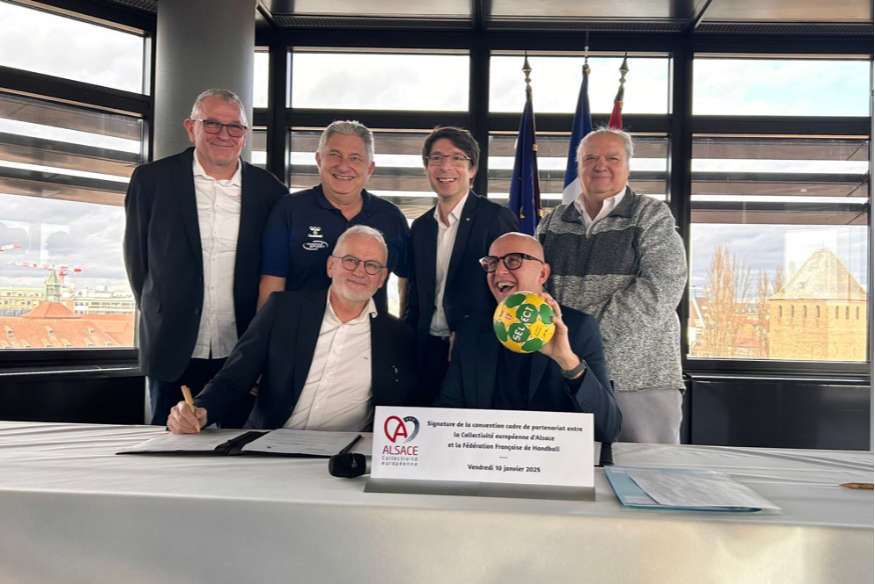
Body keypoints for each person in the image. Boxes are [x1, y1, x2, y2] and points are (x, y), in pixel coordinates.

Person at [124, 88, 288, 426]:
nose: (224, 135)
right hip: (171, 344)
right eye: (212, 123)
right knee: (169, 442)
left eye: (235, 127)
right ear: (191, 127)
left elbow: (274, 268)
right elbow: (138, 261)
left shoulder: (270, 190)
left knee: (238, 446)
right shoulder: (152, 180)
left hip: (242, 348)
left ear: (245, 134)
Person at [168, 226, 418, 433]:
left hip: (346, 456)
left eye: (372, 265)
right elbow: (232, 380)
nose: (359, 272)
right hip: (270, 445)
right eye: (350, 260)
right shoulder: (283, 310)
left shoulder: (398, 337)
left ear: (382, 278)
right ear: (331, 265)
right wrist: (200, 411)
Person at [537, 128, 687, 444]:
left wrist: (581, 336)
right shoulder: (552, 222)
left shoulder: (651, 214)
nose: (600, 165)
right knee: (570, 468)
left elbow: (661, 289)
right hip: (567, 375)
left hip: (639, 380)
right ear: (578, 167)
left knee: (645, 470)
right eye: (590, 158)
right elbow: (537, 288)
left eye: (612, 158)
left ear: (627, 167)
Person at [435, 233, 622, 444]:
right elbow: (447, 412)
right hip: (486, 454)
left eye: (513, 260)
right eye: (492, 262)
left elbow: (608, 430)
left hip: (551, 458)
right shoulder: (471, 330)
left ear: (542, 274)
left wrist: (568, 361)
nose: (499, 271)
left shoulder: (578, 327)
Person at [405, 127, 519, 405]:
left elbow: (511, 292)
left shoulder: (496, 219)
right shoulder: (420, 227)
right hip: (426, 349)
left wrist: (471, 335)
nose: (445, 166)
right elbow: (416, 294)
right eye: (436, 158)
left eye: (457, 158)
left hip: (477, 349)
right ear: (427, 168)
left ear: (472, 169)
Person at [258, 121, 409, 315]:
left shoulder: (391, 216)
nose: (343, 166)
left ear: (370, 168)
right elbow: (271, 285)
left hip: (369, 331)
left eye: (355, 158)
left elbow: (407, 276)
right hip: (298, 331)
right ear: (319, 160)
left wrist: (403, 323)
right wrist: (266, 331)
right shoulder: (290, 210)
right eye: (334, 155)